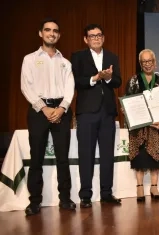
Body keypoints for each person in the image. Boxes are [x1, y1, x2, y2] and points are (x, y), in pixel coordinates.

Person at [21, 18, 75, 216]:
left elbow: (70, 89)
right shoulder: (29, 59)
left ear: (59, 35)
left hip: (61, 110)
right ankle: (34, 201)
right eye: (47, 30)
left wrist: (61, 108)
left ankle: (66, 199)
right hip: (38, 111)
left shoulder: (65, 63)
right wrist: (44, 108)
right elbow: (26, 86)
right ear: (40, 33)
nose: (51, 33)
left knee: (63, 158)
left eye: (55, 31)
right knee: (36, 158)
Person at [71, 24, 122, 208]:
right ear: (86, 39)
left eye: (99, 35)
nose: (96, 38)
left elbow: (118, 81)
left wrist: (108, 77)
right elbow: (75, 81)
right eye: (92, 36)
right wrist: (95, 78)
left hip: (107, 112)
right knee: (86, 154)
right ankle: (85, 195)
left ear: (103, 37)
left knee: (108, 154)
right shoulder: (78, 57)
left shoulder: (112, 57)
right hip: (86, 112)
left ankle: (106, 193)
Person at [124, 49, 159, 202]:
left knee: (155, 158)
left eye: (150, 61)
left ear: (155, 62)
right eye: (144, 62)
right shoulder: (133, 80)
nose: (147, 64)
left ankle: (154, 186)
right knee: (140, 158)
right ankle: (139, 188)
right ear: (140, 64)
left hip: (157, 127)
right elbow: (127, 104)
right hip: (139, 128)